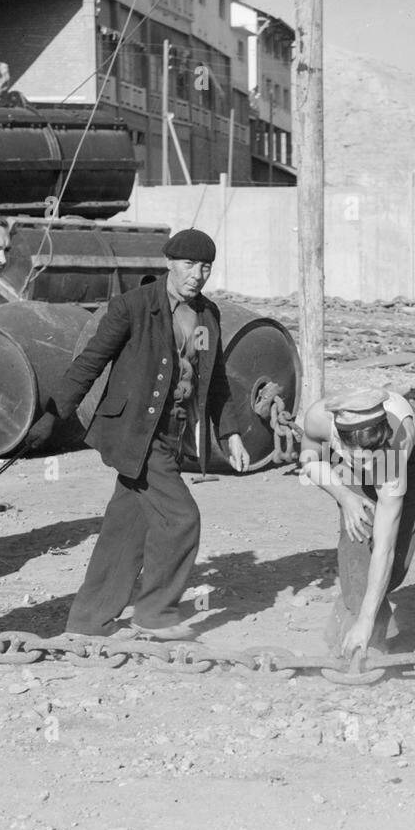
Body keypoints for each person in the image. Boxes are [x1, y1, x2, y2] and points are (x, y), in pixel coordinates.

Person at [22, 228, 249, 640]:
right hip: (135, 434)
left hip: (171, 431)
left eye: (205, 267)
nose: (196, 274)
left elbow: (214, 380)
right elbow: (90, 363)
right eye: (188, 264)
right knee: (182, 519)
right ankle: (155, 613)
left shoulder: (206, 316)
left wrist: (230, 432)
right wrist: (51, 418)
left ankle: (88, 620)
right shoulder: (134, 306)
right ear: (168, 262)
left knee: (125, 529)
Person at [299, 387, 415, 655]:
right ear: (340, 440)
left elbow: (385, 548)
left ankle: (359, 624)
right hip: (353, 462)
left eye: (371, 455)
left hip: (409, 459)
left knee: (394, 562)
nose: (366, 465)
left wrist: (365, 620)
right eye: (357, 456)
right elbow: (309, 459)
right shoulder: (320, 419)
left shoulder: (395, 448)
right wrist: (345, 495)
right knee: (358, 546)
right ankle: (370, 641)